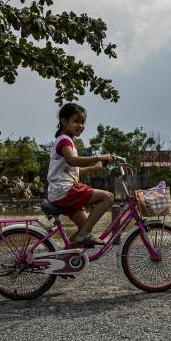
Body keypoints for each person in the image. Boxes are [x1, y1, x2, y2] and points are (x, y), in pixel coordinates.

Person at [47, 103, 115, 247]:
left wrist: (93, 167)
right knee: (108, 197)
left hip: (60, 191)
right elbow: (72, 161)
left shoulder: (66, 140)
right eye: (76, 121)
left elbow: (73, 170)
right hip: (64, 190)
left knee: (84, 229)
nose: (80, 126)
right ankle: (82, 236)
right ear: (64, 122)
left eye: (82, 122)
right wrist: (98, 157)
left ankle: (65, 258)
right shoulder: (64, 141)